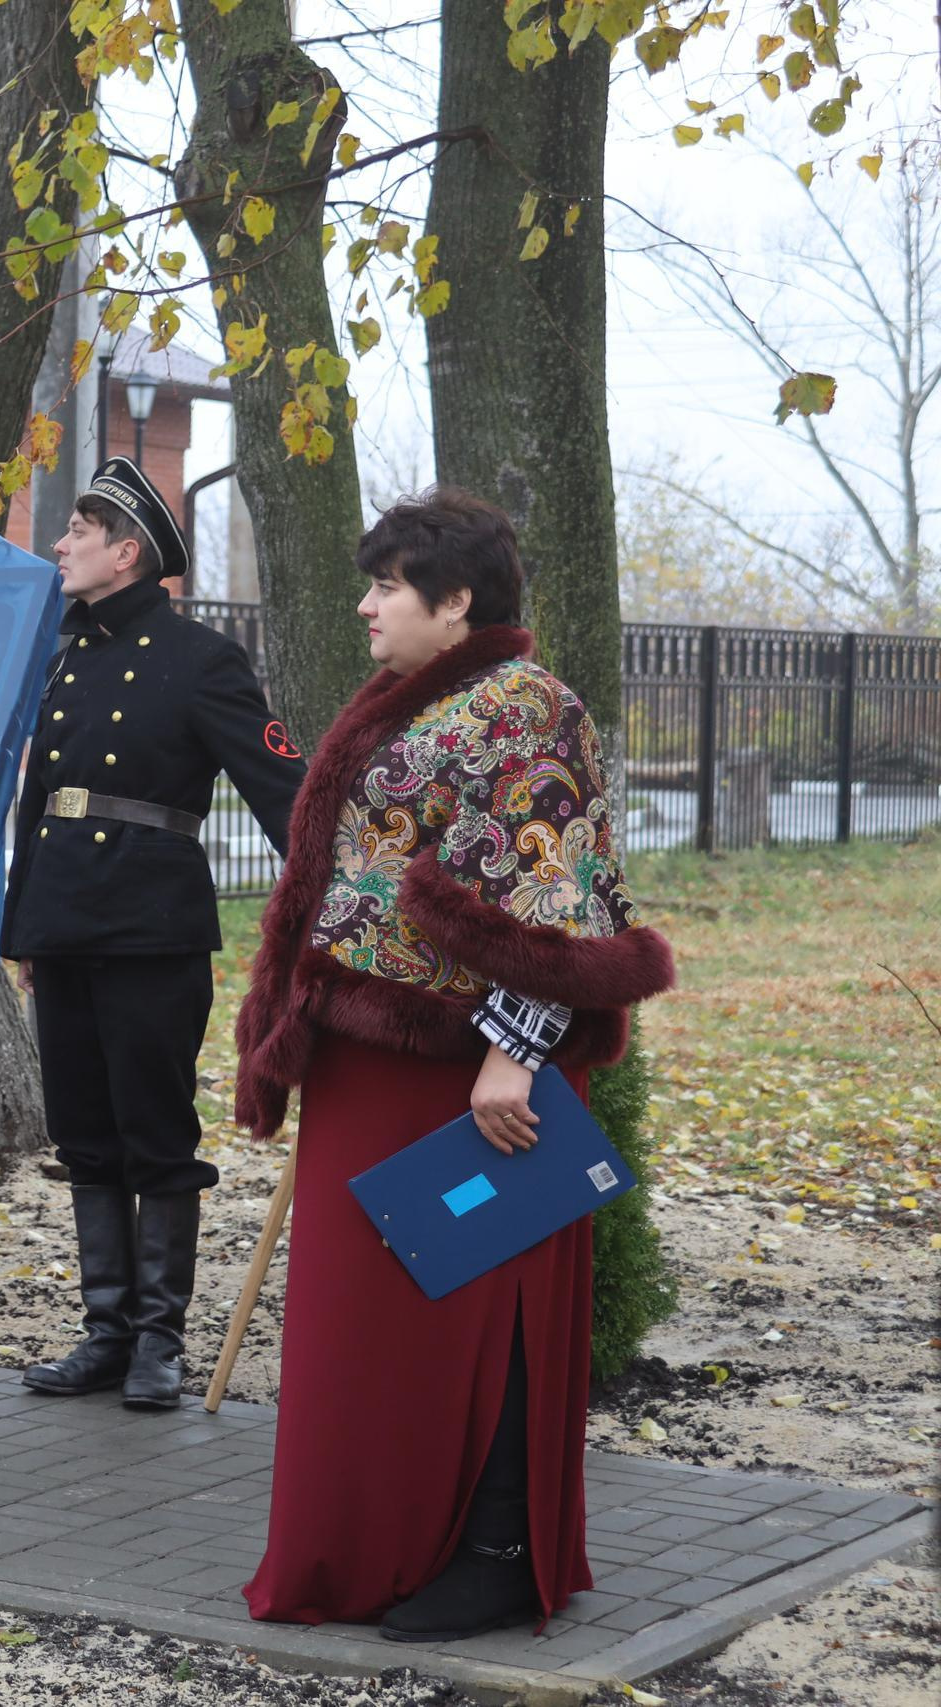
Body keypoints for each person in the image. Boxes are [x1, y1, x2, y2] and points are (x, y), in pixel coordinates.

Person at [234, 489, 676, 1641]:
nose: (366, 603)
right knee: (367, 1328)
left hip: (469, 1074)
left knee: (479, 1304)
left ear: (457, 600)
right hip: (370, 1061)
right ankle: (371, 1550)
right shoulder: (419, 699)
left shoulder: (527, 708)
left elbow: (556, 898)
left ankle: (492, 1551)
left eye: (387, 584)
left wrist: (512, 1055)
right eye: (372, 581)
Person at [2, 457, 305, 1410]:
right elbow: (39, 805)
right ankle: (105, 1331)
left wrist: (342, 901)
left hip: (150, 924)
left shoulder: (201, 657)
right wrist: (23, 928)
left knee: (155, 1132)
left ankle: (157, 1344)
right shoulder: (68, 654)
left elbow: (284, 792)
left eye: (77, 533)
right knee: (85, 1132)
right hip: (63, 922)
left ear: (125, 551)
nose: (59, 545)